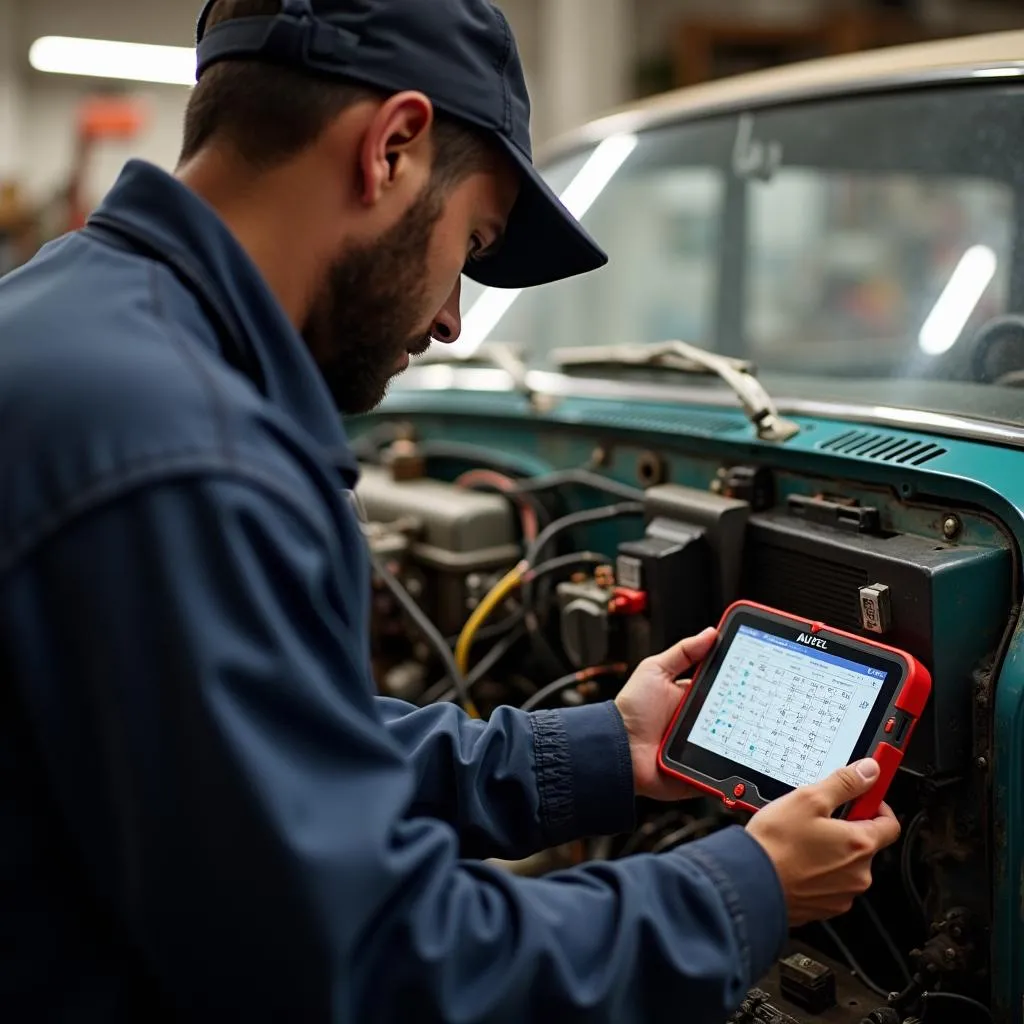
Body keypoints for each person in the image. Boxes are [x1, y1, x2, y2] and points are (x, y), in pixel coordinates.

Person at [0, 0, 900, 1021]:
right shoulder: (182, 451)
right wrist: (739, 892)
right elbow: (373, 967)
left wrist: (598, 750)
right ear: (390, 148)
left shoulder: (78, 320)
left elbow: (255, 763)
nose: (448, 319)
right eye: (469, 245)